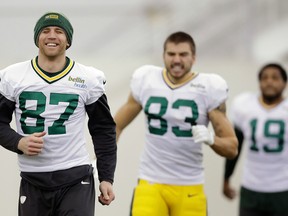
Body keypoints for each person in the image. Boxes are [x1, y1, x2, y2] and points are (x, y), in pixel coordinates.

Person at [0, 12, 117, 216]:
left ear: (68, 40)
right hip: (33, 179)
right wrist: (18, 142)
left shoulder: (87, 78)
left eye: (59, 31)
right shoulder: (13, 77)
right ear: (37, 38)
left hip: (76, 176)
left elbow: (103, 129)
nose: (52, 36)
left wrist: (106, 177)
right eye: (45, 31)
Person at [114, 31, 238, 216]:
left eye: (183, 54)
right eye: (171, 54)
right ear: (163, 56)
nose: (177, 60)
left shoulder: (208, 88)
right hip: (151, 181)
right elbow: (115, 125)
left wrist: (212, 139)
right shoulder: (147, 80)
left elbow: (232, 147)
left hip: (189, 184)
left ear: (193, 58)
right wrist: (103, 160)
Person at [223, 63, 288, 216]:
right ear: (259, 83)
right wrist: (226, 178)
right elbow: (235, 146)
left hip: (283, 188)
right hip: (251, 186)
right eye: (264, 78)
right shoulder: (245, 105)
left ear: (285, 83)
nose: (269, 81)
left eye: (275, 77)